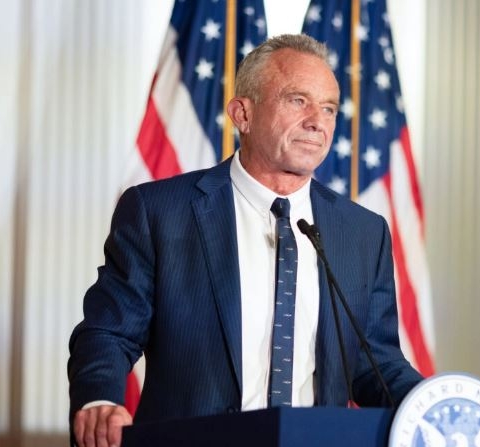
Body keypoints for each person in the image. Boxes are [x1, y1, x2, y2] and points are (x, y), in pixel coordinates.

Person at [68, 34, 423, 447]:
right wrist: (98, 399)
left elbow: (373, 362)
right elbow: (109, 332)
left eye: (328, 108)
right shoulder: (160, 212)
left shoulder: (362, 232)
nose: (317, 121)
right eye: (297, 101)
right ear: (243, 114)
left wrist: (438, 407)